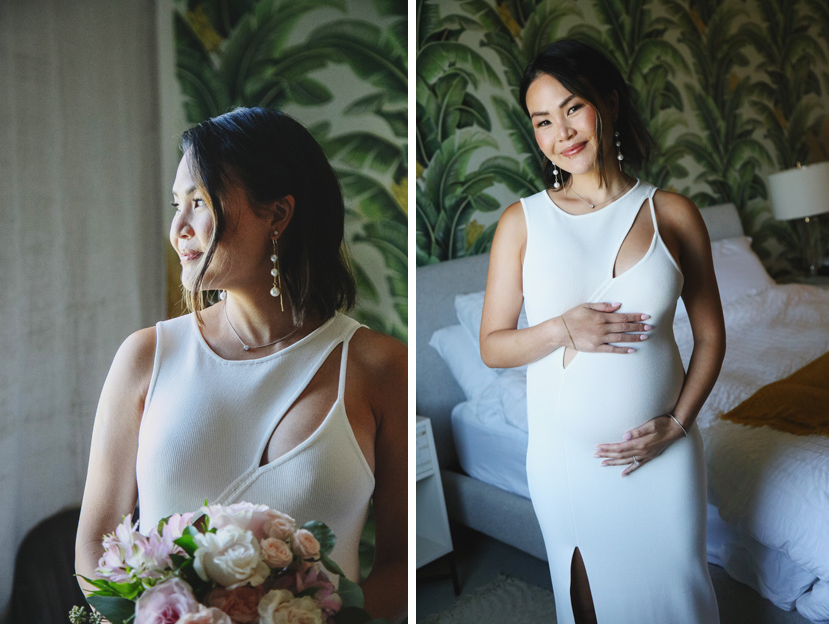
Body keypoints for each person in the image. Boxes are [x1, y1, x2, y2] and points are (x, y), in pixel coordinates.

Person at [74, 107, 407, 620]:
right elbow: (96, 552)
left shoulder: (380, 368)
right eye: (175, 204)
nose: (178, 228)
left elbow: (400, 566)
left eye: (200, 202)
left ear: (278, 214)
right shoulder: (144, 358)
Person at [479, 40, 725, 623]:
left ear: (607, 103)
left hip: (665, 456)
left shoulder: (674, 214)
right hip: (570, 461)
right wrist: (563, 328)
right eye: (542, 120)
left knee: (680, 598)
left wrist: (677, 424)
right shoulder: (521, 223)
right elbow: (493, 347)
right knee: (587, 601)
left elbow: (711, 338)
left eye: (572, 108)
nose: (561, 131)